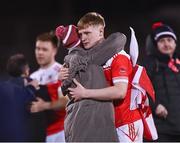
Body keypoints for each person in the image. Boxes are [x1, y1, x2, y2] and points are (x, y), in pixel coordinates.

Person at [66, 14, 150, 142]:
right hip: (107, 122)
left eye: (87, 33)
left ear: (101, 31)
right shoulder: (93, 58)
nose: (83, 38)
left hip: (126, 123)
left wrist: (85, 93)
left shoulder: (118, 57)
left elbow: (120, 92)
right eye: (80, 34)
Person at [142, 22, 180, 142]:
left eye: (169, 40)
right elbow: (141, 88)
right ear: (155, 44)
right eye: (162, 41)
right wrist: (155, 105)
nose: (166, 44)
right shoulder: (150, 63)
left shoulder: (178, 63)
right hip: (161, 128)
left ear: (175, 42)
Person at [30, 31, 68, 142]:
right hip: (41, 133)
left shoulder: (61, 72)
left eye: (44, 49)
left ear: (54, 51)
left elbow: (66, 102)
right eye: (38, 48)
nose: (40, 53)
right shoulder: (33, 77)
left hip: (61, 132)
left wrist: (44, 105)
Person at [0, 53, 39, 141]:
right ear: (26, 70)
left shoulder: (3, 86)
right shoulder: (31, 84)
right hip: (23, 134)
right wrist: (32, 87)